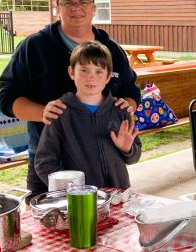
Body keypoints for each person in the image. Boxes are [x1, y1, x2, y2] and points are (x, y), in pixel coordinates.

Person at [0, 0, 141, 194]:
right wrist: (44, 113)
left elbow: (131, 90)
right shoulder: (34, 47)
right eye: (68, 3)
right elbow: (8, 96)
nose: (76, 9)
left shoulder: (112, 50)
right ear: (58, 9)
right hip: (49, 167)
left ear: (93, 9)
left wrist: (125, 106)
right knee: (48, 226)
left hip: (108, 172)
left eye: (83, 2)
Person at [35, 41, 141, 189]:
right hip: (80, 201)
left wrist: (126, 149)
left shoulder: (120, 110)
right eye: (84, 70)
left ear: (108, 77)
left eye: (99, 71)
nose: (91, 78)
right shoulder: (59, 113)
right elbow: (44, 163)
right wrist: (72, 191)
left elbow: (134, 156)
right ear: (71, 72)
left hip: (119, 195)